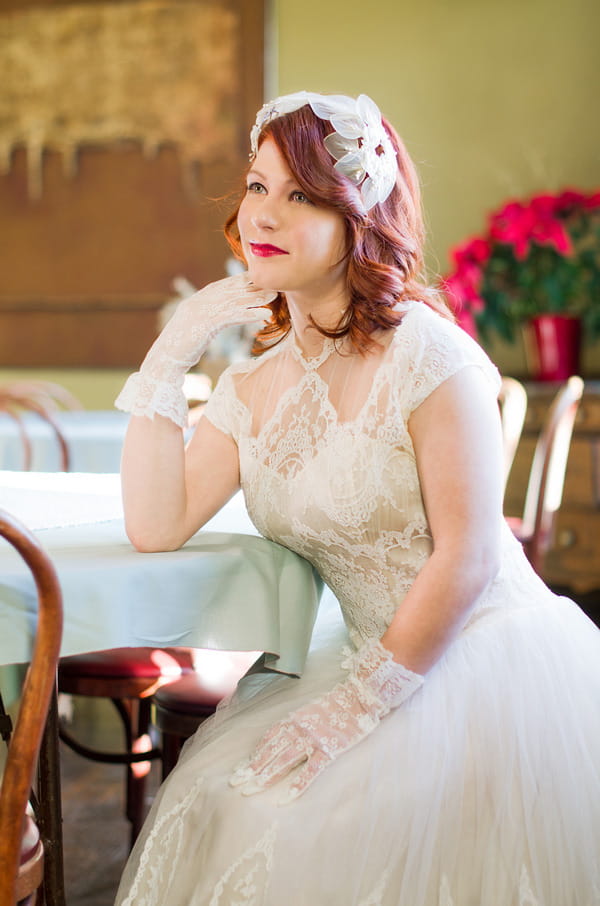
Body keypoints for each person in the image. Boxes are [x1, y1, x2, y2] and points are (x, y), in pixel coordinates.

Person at [114, 91, 600, 906]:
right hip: (353, 650)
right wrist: (170, 354)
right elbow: (155, 524)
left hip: (471, 658)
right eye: (257, 186)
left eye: (300, 194)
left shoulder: (429, 353)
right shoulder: (252, 385)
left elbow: (471, 553)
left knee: (309, 830)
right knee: (216, 804)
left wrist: (358, 708)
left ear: (357, 220)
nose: (263, 214)